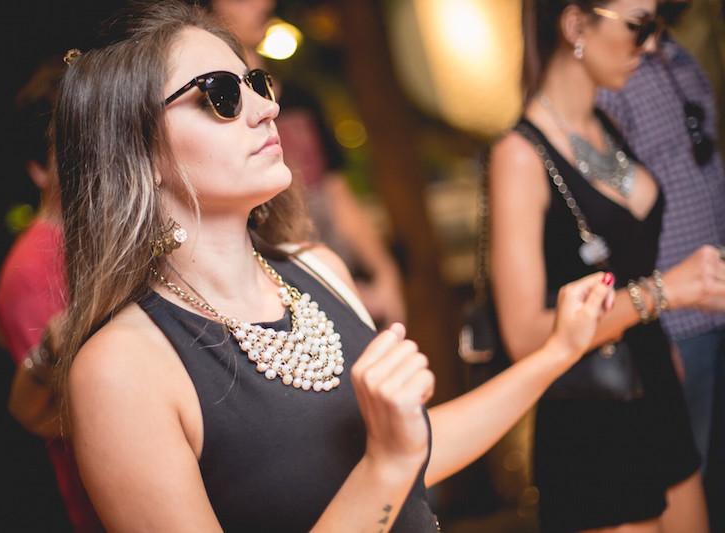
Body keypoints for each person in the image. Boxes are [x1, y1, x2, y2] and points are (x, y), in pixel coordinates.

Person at [52, 2, 617, 531]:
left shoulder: (318, 269)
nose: (268, 108)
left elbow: (421, 449)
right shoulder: (121, 368)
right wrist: (387, 465)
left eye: (256, 84)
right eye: (221, 94)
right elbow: (395, 462)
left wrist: (558, 352)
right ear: (138, 150)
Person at [489, 0, 725, 531]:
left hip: (656, 389)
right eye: (639, 27)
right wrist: (663, 292)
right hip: (594, 418)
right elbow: (523, 334)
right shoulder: (519, 156)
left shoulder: (604, 126)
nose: (650, 45)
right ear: (576, 25)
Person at [205, 0, 407, 327]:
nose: (262, 4)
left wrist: (383, 271)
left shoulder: (302, 99)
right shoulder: (221, 120)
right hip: (279, 291)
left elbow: (339, 198)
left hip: (334, 269)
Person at [597, 0, 725, 485]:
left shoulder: (675, 50)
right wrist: (651, 330)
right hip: (675, 312)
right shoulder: (613, 70)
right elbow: (611, 214)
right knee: (687, 470)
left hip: (716, 292)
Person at [0, 59, 102, 532]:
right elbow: (70, 412)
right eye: (74, 147)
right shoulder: (30, 270)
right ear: (39, 169)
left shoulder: (102, 237)